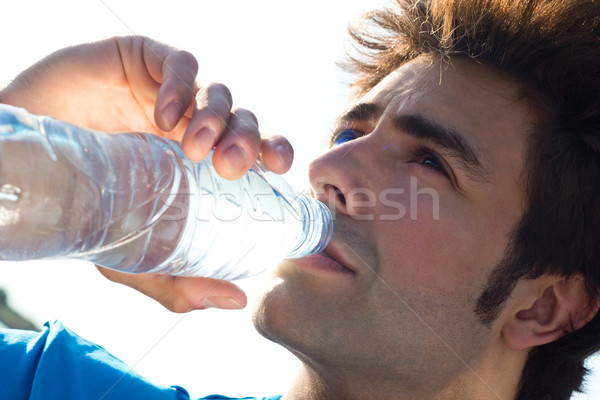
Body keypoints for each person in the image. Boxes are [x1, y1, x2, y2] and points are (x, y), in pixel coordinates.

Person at [1, 1, 600, 400]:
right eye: (348, 134)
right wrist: (21, 141)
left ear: (543, 307)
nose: (326, 168)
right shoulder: (43, 383)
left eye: (430, 163)